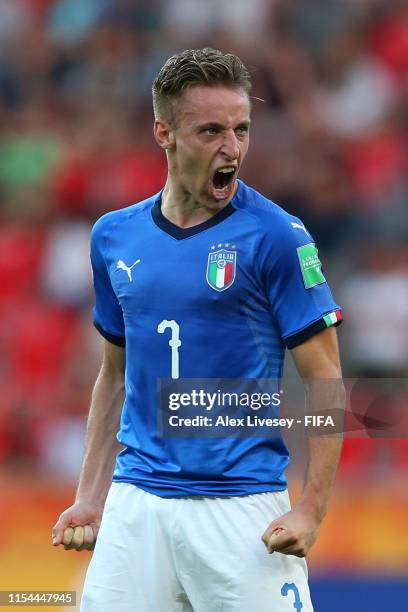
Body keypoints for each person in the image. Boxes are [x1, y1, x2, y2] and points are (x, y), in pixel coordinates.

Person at [52, 48, 344, 611]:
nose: (231, 148)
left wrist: (310, 508)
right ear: (164, 132)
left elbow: (325, 375)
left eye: (241, 130)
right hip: (136, 505)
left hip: (241, 510)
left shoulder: (278, 236)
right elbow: (115, 374)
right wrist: (90, 497)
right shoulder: (115, 237)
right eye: (211, 130)